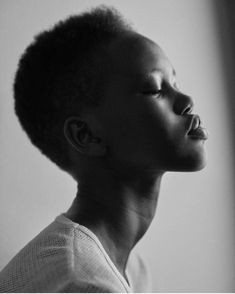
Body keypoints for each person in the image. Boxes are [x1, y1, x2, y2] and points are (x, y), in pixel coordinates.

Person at [0, 5, 208, 293]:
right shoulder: (83, 283)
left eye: (175, 82)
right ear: (86, 135)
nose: (186, 100)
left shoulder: (133, 270)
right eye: (155, 89)